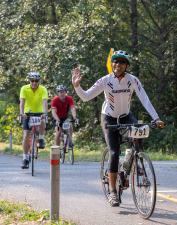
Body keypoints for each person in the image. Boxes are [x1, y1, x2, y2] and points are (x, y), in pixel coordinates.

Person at [71, 50, 165, 207]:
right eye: (115, 61)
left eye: (121, 62)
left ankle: (131, 162)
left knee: (139, 135)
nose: (117, 64)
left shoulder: (132, 80)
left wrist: (156, 118)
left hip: (126, 116)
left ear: (126, 66)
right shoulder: (105, 80)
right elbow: (86, 97)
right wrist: (77, 86)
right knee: (114, 153)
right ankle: (113, 191)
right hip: (108, 118)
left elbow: (145, 99)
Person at [19, 71, 48, 169]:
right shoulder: (24, 88)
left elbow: (44, 102)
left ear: (39, 81)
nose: (34, 83)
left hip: (39, 112)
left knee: (43, 121)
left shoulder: (43, 89)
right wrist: (22, 113)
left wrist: (44, 113)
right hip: (28, 113)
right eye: (32, 81)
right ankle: (25, 158)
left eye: (36, 81)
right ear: (29, 81)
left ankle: (41, 138)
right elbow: (22, 102)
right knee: (26, 135)